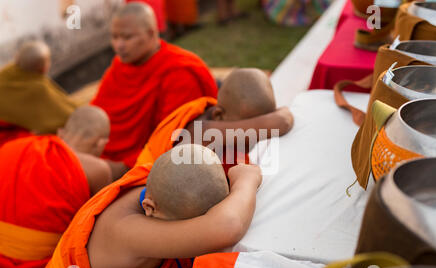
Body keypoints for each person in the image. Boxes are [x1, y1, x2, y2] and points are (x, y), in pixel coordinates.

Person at [36, 144, 262, 268]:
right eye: (190, 223)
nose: (192, 230)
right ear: (149, 208)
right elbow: (227, 226)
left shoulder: (161, 186)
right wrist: (246, 181)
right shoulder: (123, 230)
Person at [91, 2, 217, 179]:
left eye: (127, 38)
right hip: (104, 154)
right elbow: (97, 111)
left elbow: (171, 139)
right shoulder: (120, 66)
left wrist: (123, 166)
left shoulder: (179, 72)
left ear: (151, 33)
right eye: (114, 37)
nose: (119, 45)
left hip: (147, 164)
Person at [0, 106, 113, 268]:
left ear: (61, 132)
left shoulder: (12, 147)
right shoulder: (97, 170)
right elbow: (98, 228)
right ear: (101, 143)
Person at [135, 68, 294, 174]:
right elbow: (281, 122)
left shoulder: (224, 115)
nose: (251, 136)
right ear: (218, 115)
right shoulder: (202, 132)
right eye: (246, 127)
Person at [0, 41, 78, 140]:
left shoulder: (5, 74)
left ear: (17, 59)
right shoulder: (39, 90)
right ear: (44, 68)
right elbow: (64, 118)